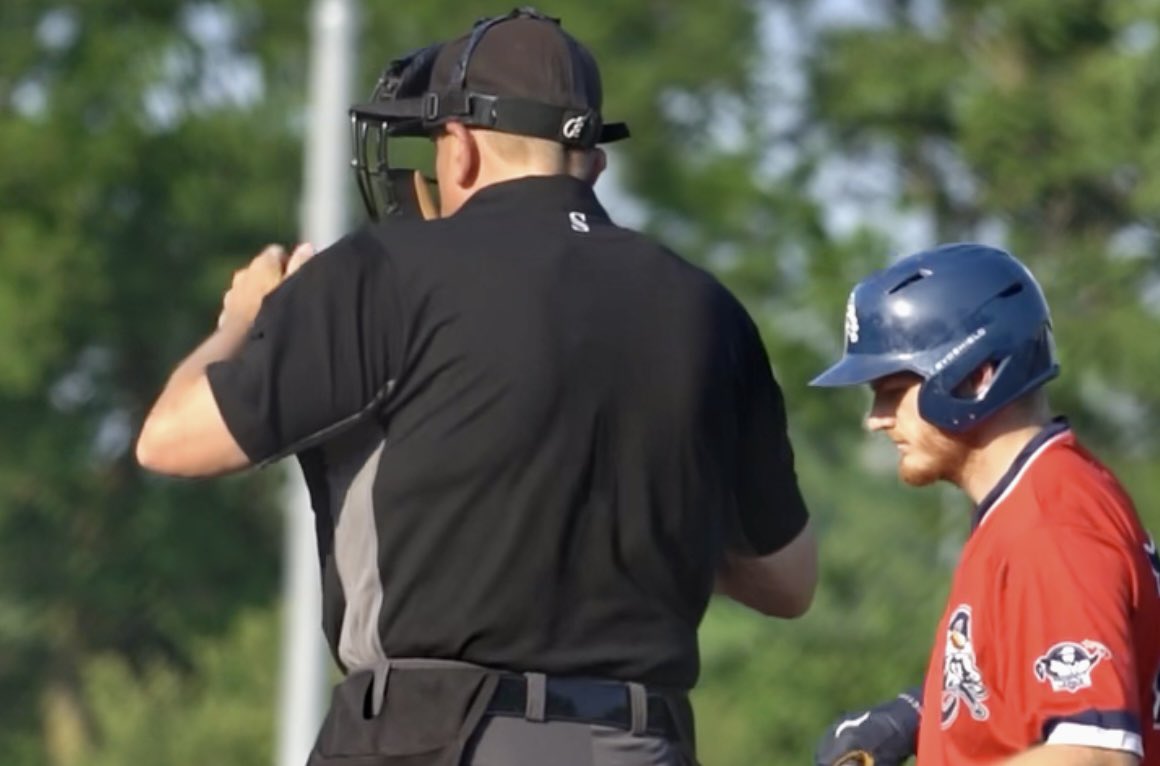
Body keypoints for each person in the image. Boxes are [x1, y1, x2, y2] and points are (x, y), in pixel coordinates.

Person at [135, 7, 817, 766]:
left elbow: (171, 439)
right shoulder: (708, 309)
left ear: (457, 149)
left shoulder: (386, 271)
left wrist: (242, 322)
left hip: (435, 736)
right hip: (637, 740)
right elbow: (789, 582)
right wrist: (617, 506)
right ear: (593, 160)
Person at [810, 243, 1160, 766]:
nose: (876, 418)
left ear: (976, 376)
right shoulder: (1030, 500)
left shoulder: (1050, 523)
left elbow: (1094, 754)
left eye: (892, 390)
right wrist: (917, 714)